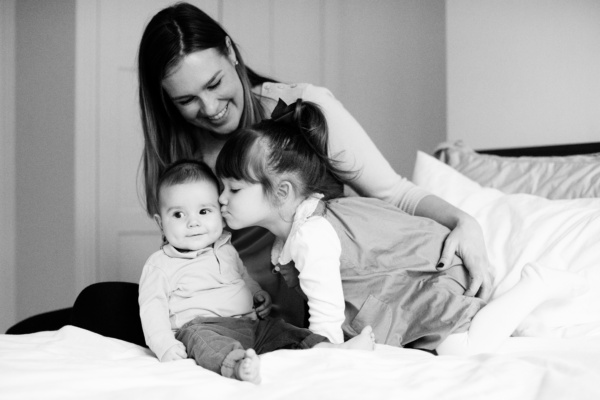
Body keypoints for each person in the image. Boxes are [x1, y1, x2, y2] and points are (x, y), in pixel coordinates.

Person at [134, 2, 492, 328]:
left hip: (315, 306)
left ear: (230, 52)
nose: (210, 108)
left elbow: (393, 192)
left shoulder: (302, 109)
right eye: (187, 100)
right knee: (97, 303)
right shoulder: (180, 157)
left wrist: (465, 222)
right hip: (231, 310)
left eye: (214, 83)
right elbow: (183, 252)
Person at [214, 99, 585, 353]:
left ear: (281, 191)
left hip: (429, 277)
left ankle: (537, 285)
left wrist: (316, 354)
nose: (221, 200)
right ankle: (514, 321)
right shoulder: (297, 233)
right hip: (402, 288)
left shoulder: (312, 236)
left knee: (458, 350)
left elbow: (325, 322)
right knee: (450, 346)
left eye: (233, 188)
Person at [139, 159, 375, 384]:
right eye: (179, 214)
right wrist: (164, 345)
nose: (193, 222)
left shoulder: (226, 249)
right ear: (161, 223)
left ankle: (331, 349)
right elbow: (152, 308)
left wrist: (257, 293)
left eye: (204, 211)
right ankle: (238, 366)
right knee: (205, 342)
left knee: (282, 330)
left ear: (220, 215)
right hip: (199, 326)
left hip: (248, 324)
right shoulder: (161, 264)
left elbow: (242, 277)